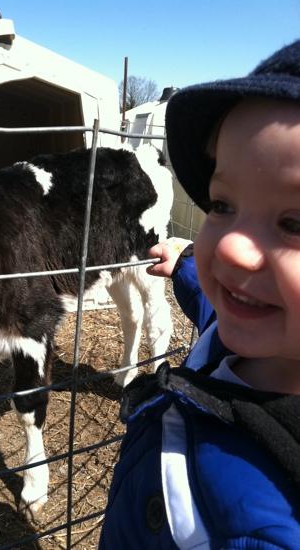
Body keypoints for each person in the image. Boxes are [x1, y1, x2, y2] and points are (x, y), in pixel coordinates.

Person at [99, 39, 300, 549]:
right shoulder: (255, 335)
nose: (230, 247)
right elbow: (215, 314)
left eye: (293, 222)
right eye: (222, 204)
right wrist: (186, 263)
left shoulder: (271, 524)